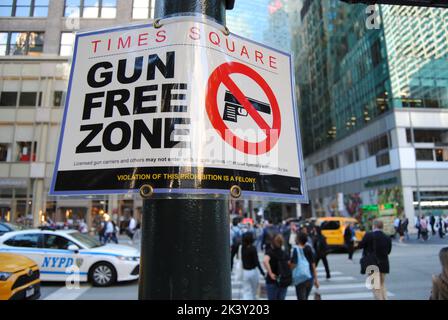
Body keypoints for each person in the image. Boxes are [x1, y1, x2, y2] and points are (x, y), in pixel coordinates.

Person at [358, 219, 392, 300]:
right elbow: (388, 251)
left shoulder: (368, 235)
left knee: (376, 287)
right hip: (384, 264)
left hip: (372, 264)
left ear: (374, 226)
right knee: (382, 285)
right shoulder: (387, 237)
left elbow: (360, 245)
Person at [291, 232, 319, 300]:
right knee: (305, 297)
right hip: (310, 277)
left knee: (301, 297)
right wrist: (316, 279)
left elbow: (294, 264)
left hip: (300, 277)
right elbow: (313, 264)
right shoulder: (309, 248)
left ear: (298, 239)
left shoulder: (296, 250)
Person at [263, 234, 291, 300]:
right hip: (283, 279)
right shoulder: (285, 253)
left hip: (272, 280)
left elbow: (265, 261)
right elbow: (289, 264)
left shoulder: (270, 252)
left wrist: (270, 273)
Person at [241, 232, 265, 300]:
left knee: (246, 291)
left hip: (245, 271)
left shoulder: (242, 248)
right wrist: (262, 272)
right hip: (253, 271)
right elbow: (257, 262)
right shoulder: (253, 248)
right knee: (254, 290)